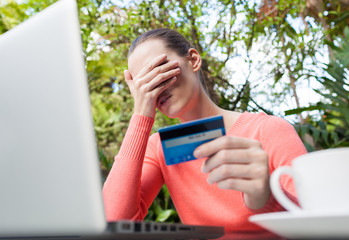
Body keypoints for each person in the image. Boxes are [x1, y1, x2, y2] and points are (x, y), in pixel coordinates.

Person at [102, 28, 307, 232]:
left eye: (159, 71)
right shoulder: (160, 149)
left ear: (193, 60)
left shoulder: (268, 130)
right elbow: (116, 223)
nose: (154, 88)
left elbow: (312, 221)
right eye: (144, 84)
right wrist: (140, 115)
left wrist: (267, 196)